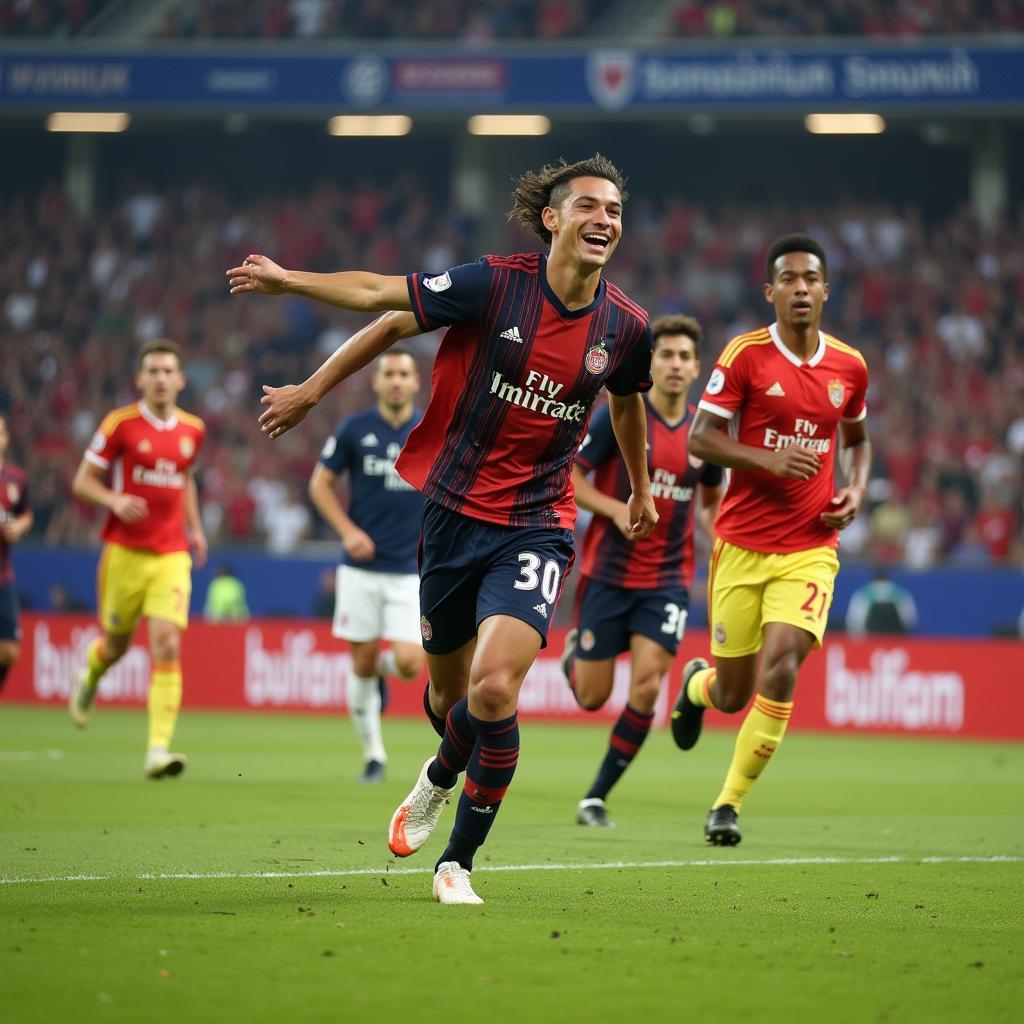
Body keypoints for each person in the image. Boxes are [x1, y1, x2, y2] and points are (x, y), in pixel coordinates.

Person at [228, 154, 657, 905]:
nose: (605, 220)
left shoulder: (626, 326)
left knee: (494, 691)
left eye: (615, 210)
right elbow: (385, 304)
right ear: (552, 219)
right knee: (446, 703)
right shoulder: (494, 285)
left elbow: (627, 402)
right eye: (588, 205)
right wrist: (301, 337)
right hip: (453, 515)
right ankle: (444, 756)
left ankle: (454, 855)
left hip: (538, 521)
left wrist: (643, 485)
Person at [671, 233, 871, 846]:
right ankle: (697, 686)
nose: (801, 288)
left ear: (826, 289)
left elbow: (858, 441)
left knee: (782, 668)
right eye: (789, 279)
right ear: (771, 291)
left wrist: (856, 491)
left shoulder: (850, 366)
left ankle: (726, 804)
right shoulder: (746, 355)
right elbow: (702, 438)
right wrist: (767, 459)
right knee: (732, 694)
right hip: (741, 545)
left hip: (811, 548)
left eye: (811, 278)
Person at [561, 314, 722, 827]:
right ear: (652, 363)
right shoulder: (622, 414)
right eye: (665, 355)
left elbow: (710, 501)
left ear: (697, 368)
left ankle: (595, 796)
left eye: (683, 357)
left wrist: (721, 537)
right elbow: (573, 478)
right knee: (591, 698)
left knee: (648, 688)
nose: (674, 365)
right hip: (607, 573)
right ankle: (573, 659)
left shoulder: (704, 433)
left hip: (668, 580)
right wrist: (615, 508)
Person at [68, 340, 208, 779]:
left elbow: (184, 480)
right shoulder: (120, 424)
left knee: (166, 643)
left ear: (181, 379)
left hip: (170, 553)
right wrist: (114, 499)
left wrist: (196, 529)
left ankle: (157, 750)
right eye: (153, 371)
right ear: (140, 379)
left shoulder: (193, 430)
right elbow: (82, 481)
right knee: (115, 647)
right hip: (124, 553)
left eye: (168, 370)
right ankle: (90, 678)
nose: (161, 378)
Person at [309, 347, 427, 783]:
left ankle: (382, 670)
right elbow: (320, 485)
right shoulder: (354, 430)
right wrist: (347, 532)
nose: (396, 380)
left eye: (404, 373)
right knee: (360, 662)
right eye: (389, 373)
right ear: (376, 382)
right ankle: (373, 755)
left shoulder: (431, 429)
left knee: (412, 663)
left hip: (411, 569)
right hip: (359, 568)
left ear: (416, 383)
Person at [0, 415, 33, 693]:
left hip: (3, 575)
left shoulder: (16, 479)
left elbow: (26, 514)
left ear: (6, 438)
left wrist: (20, 526)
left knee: (10, 651)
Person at [844, 565, 917, 636]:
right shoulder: (901, 594)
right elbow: (910, 621)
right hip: (896, 640)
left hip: (870, 642)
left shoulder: (861, 594)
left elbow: (854, 622)